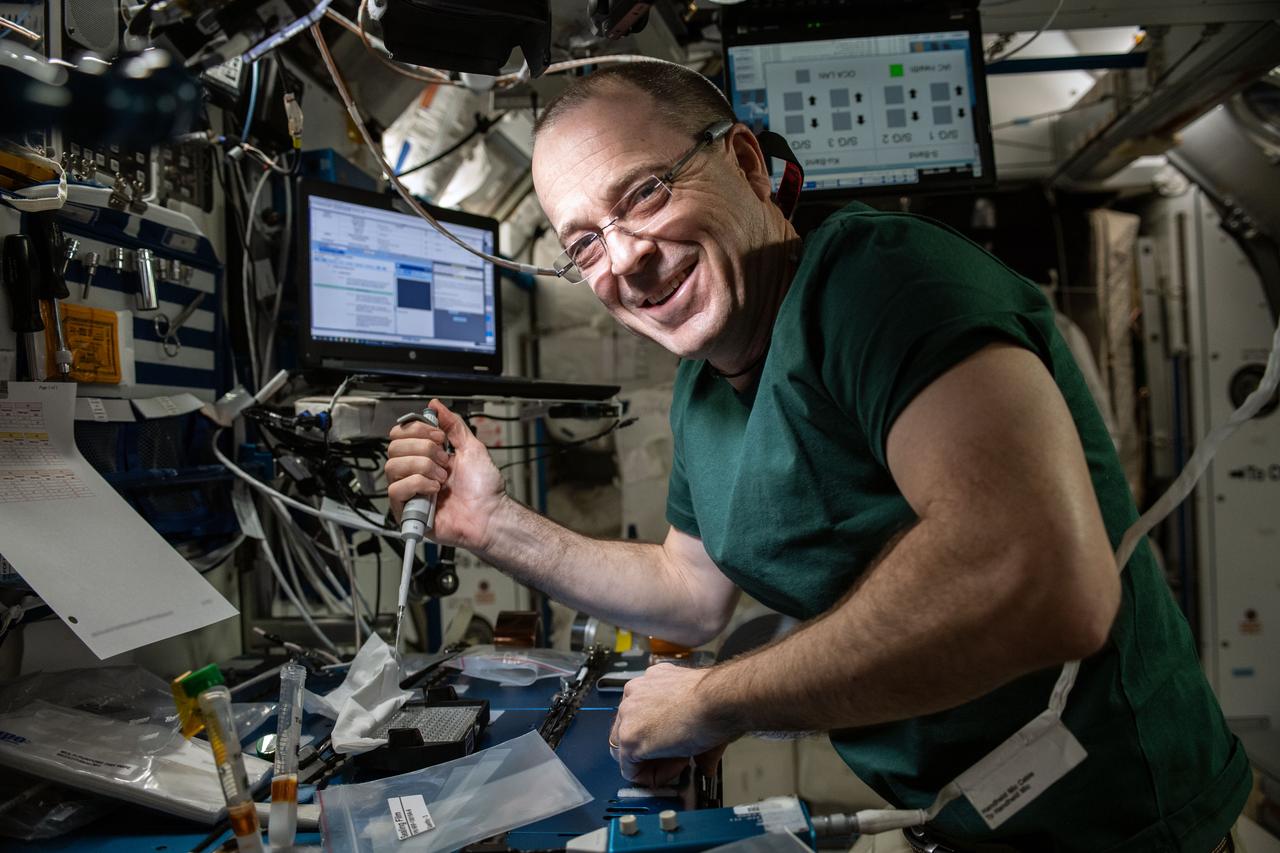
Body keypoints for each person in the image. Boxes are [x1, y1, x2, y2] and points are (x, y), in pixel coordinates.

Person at [384, 62, 1249, 851]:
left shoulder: (883, 284)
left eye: (645, 193)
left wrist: (712, 700)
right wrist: (491, 522)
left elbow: (1039, 580)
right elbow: (689, 595)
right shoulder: (704, 387)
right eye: (583, 243)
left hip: (1127, 820)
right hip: (965, 815)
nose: (627, 260)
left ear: (749, 164)